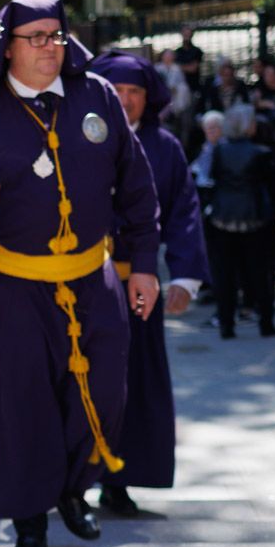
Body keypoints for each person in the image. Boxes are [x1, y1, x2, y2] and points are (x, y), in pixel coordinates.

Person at [0, 0, 161, 547]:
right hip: (11, 284)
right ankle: (29, 521)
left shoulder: (97, 96)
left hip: (92, 277)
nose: (48, 47)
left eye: (56, 36)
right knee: (19, 406)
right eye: (34, 37)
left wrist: (145, 263)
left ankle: (73, 488)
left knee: (102, 390)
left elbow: (136, 186)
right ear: (7, 47)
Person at [88, 51, 208, 512]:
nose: (125, 100)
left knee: (133, 383)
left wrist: (185, 276)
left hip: (136, 287)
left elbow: (184, 211)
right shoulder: (75, 134)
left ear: (148, 97)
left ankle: (119, 480)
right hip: (74, 283)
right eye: (116, 90)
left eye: (134, 91)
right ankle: (68, 481)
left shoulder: (164, 147)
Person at [207, 104, 275, 339]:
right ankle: (266, 322)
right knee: (259, 273)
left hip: (223, 216)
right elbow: (270, 182)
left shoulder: (220, 150)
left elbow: (213, 176)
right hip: (253, 218)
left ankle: (226, 324)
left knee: (225, 274)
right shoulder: (260, 153)